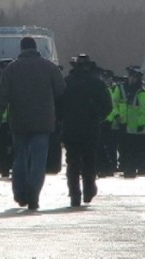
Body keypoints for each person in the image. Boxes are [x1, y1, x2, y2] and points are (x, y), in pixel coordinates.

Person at [0, 37, 66, 210]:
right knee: (39, 161)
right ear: (35, 47)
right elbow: (61, 90)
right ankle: (33, 196)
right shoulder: (49, 67)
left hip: (19, 122)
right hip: (43, 122)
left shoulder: (11, 69)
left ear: (21, 48)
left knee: (20, 158)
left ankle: (19, 193)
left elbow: (1, 95)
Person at [58, 54, 112, 206]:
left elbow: (58, 106)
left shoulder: (65, 83)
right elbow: (108, 106)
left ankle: (75, 194)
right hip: (90, 129)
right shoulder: (98, 83)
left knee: (72, 162)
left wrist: (62, 120)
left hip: (71, 129)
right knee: (89, 161)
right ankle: (88, 190)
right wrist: (97, 118)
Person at [123, 67, 145, 178]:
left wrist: (140, 124)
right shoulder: (132, 92)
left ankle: (140, 169)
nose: (129, 79)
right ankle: (132, 169)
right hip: (132, 128)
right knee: (132, 150)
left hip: (141, 129)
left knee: (138, 150)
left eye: (131, 77)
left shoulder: (142, 93)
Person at [99, 69, 120, 177]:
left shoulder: (117, 89)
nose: (106, 80)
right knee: (104, 144)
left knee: (112, 146)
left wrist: (111, 118)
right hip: (104, 121)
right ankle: (106, 166)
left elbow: (116, 106)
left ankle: (112, 165)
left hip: (113, 122)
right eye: (104, 78)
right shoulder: (102, 88)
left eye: (108, 78)